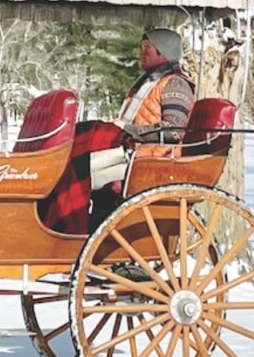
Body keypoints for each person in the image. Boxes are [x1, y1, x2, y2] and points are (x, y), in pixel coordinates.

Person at [51, 27, 198, 230]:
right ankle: (83, 225)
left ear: (162, 53)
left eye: (148, 49)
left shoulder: (175, 84)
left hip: (150, 160)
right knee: (73, 160)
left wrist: (128, 130)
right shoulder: (147, 82)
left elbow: (174, 132)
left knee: (80, 169)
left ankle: (70, 227)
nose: (142, 53)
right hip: (130, 153)